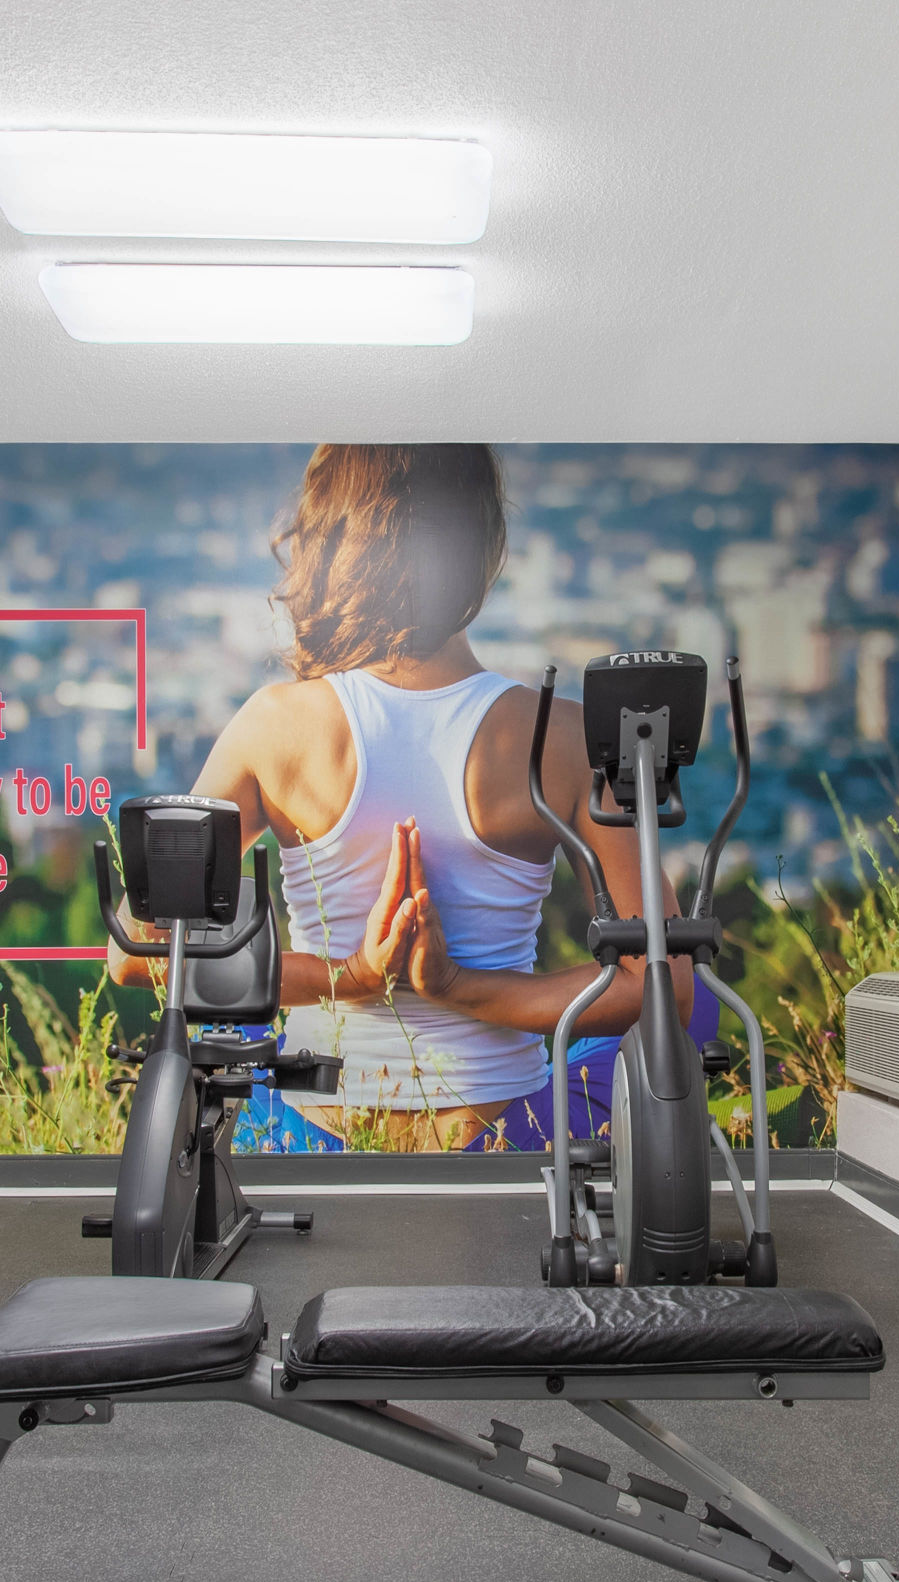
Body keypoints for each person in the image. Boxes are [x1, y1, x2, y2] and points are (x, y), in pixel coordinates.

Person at [113, 443, 689, 1151]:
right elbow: (666, 984)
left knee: (238, 1028)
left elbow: (136, 953)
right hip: (507, 1133)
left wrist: (352, 977)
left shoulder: (274, 725)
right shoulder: (563, 736)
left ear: (330, 545)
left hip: (312, 1129)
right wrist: (459, 987)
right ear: (481, 549)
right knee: (666, 987)